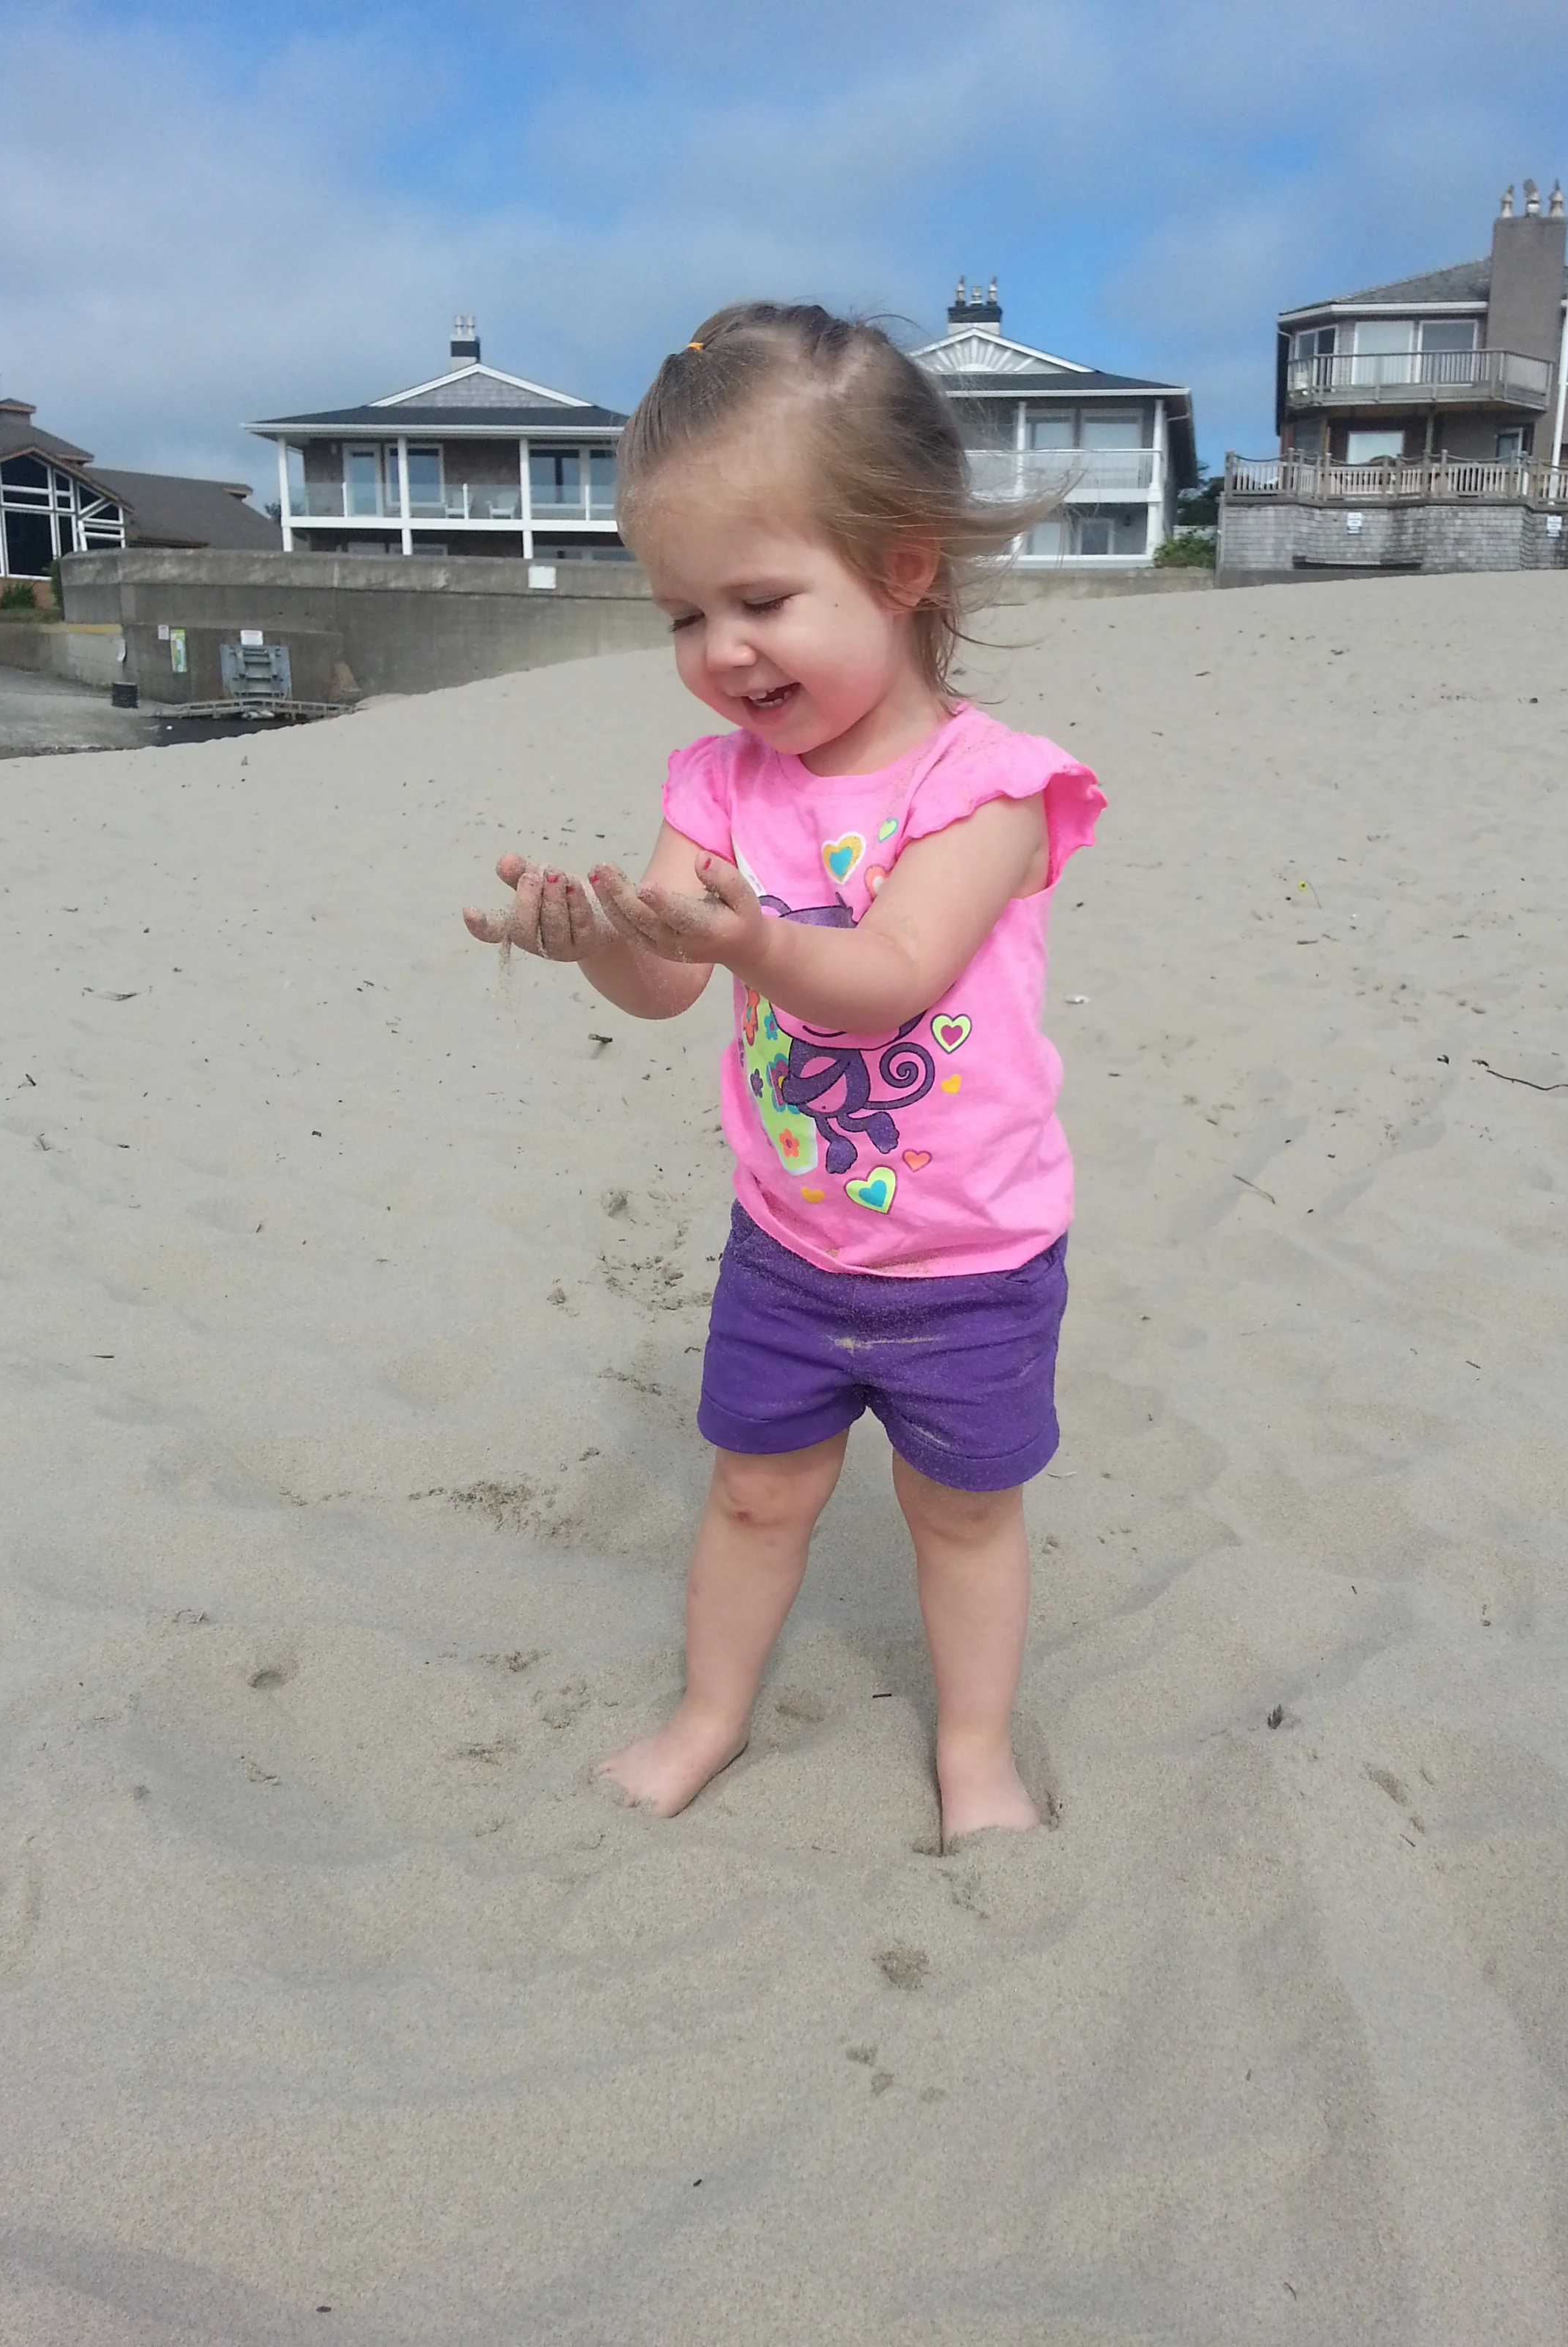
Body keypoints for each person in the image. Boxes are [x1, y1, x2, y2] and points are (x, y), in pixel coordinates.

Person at [463, 304, 1105, 1841]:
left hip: (969, 1255)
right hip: (792, 1245)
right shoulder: (718, 784)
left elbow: (887, 978)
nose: (721, 652)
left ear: (902, 569)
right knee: (755, 1494)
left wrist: (754, 944)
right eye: (684, 615)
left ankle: (973, 1753)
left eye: (759, 599)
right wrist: (603, 941)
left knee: (961, 1514)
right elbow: (677, 980)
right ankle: (707, 1718)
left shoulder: (991, 789)